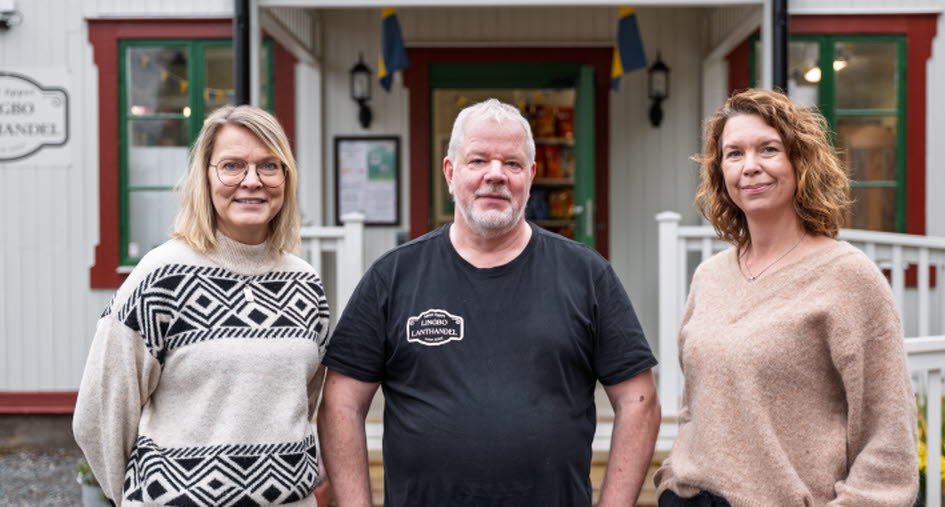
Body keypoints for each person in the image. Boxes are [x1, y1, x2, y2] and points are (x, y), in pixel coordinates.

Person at [319, 98, 660, 506]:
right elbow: (340, 402)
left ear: (530, 176)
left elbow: (639, 401)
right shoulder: (393, 277)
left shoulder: (587, 274)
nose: (495, 175)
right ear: (451, 172)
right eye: (478, 160)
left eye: (512, 164)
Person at [653, 89, 918, 506]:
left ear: (800, 160)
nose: (751, 167)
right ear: (720, 170)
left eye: (768, 149)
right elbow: (695, 405)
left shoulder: (847, 277)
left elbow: (888, 433)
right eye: (734, 153)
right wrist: (674, 472)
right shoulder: (709, 277)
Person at [73, 105, 330, 506]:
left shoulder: (305, 282)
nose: (252, 181)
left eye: (268, 165)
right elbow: (100, 414)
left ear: (286, 177)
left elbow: (306, 402)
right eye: (232, 166)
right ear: (205, 177)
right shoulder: (161, 275)